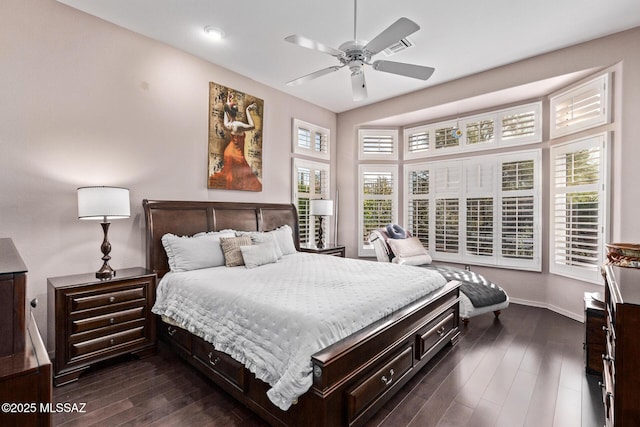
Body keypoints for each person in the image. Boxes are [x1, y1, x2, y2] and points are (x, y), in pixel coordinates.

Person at [209, 92, 262, 191]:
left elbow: (225, 119)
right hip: (236, 155)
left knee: (231, 177)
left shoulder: (230, 125)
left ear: (228, 113)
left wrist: (227, 103)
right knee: (240, 179)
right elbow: (252, 126)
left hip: (228, 152)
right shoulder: (238, 125)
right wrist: (247, 110)